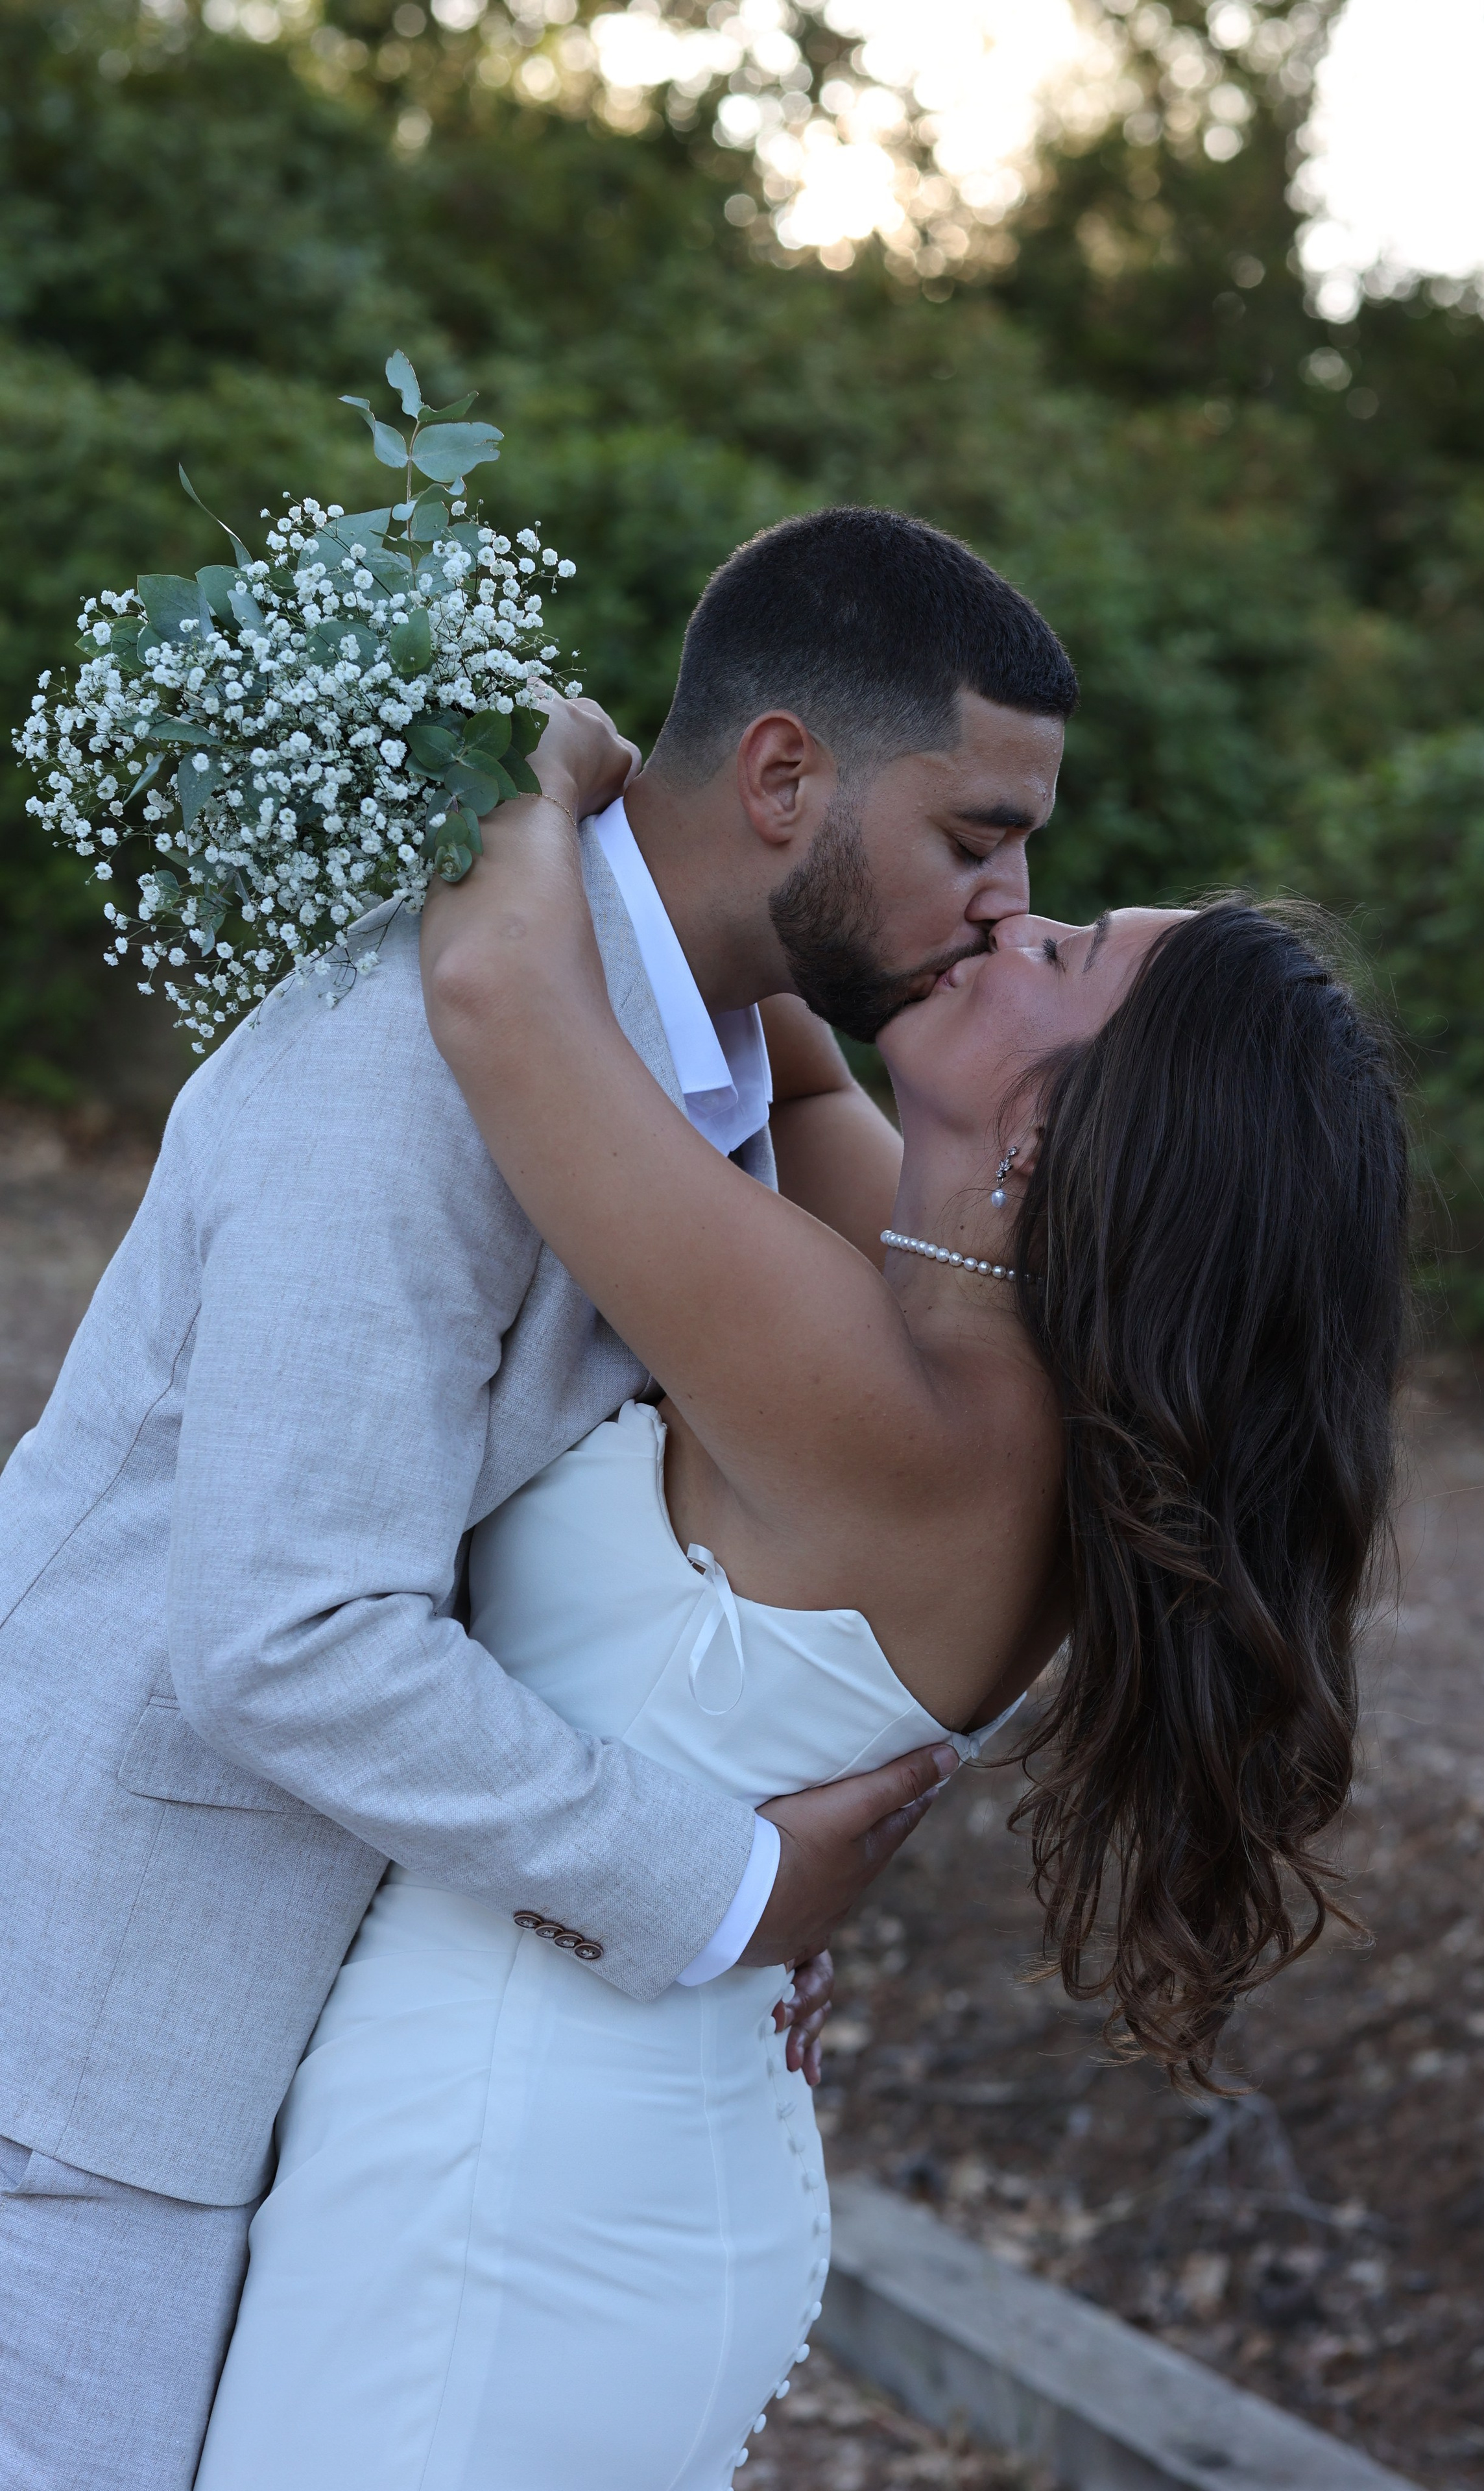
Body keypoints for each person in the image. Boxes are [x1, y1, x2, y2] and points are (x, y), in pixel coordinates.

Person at [193, 669, 1409, 2486]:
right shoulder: (942, 1314)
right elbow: (796, 1043)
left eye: (1062, 951)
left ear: (1055, 1132)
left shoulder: (914, 1413)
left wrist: (535, 758)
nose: (1009, 909)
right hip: (598, 2145)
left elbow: (501, 1001)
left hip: (507, 2194)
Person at [0, 508, 1082, 2491]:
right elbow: (286, 1635)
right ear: (783, 776)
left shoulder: (692, 1083)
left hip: (285, 2067)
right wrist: (723, 1882)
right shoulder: (419, 1059)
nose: (1012, 905)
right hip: (79, 2048)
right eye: (978, 837)